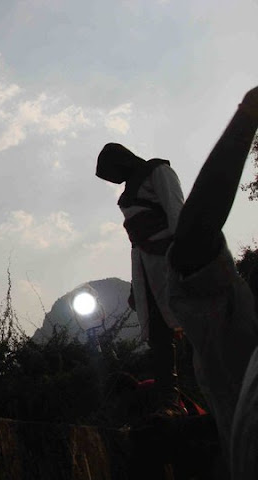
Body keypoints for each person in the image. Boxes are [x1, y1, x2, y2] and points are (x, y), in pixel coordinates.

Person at [167, 87, 258, 479]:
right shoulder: (240, 350)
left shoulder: (236, 352)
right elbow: (192, 248)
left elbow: (191, 246)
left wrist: (248, 115)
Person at [96, 142, 186, 413]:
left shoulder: (158, 171)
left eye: (111, 173)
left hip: (172, 260)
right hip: (147, 269)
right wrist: (136, 286)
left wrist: (184, 256)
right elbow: (137, 243)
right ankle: (170, 400)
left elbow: (177, 213)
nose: (112, 180)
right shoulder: (127, 195)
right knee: (159, 337)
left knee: (196, 323)